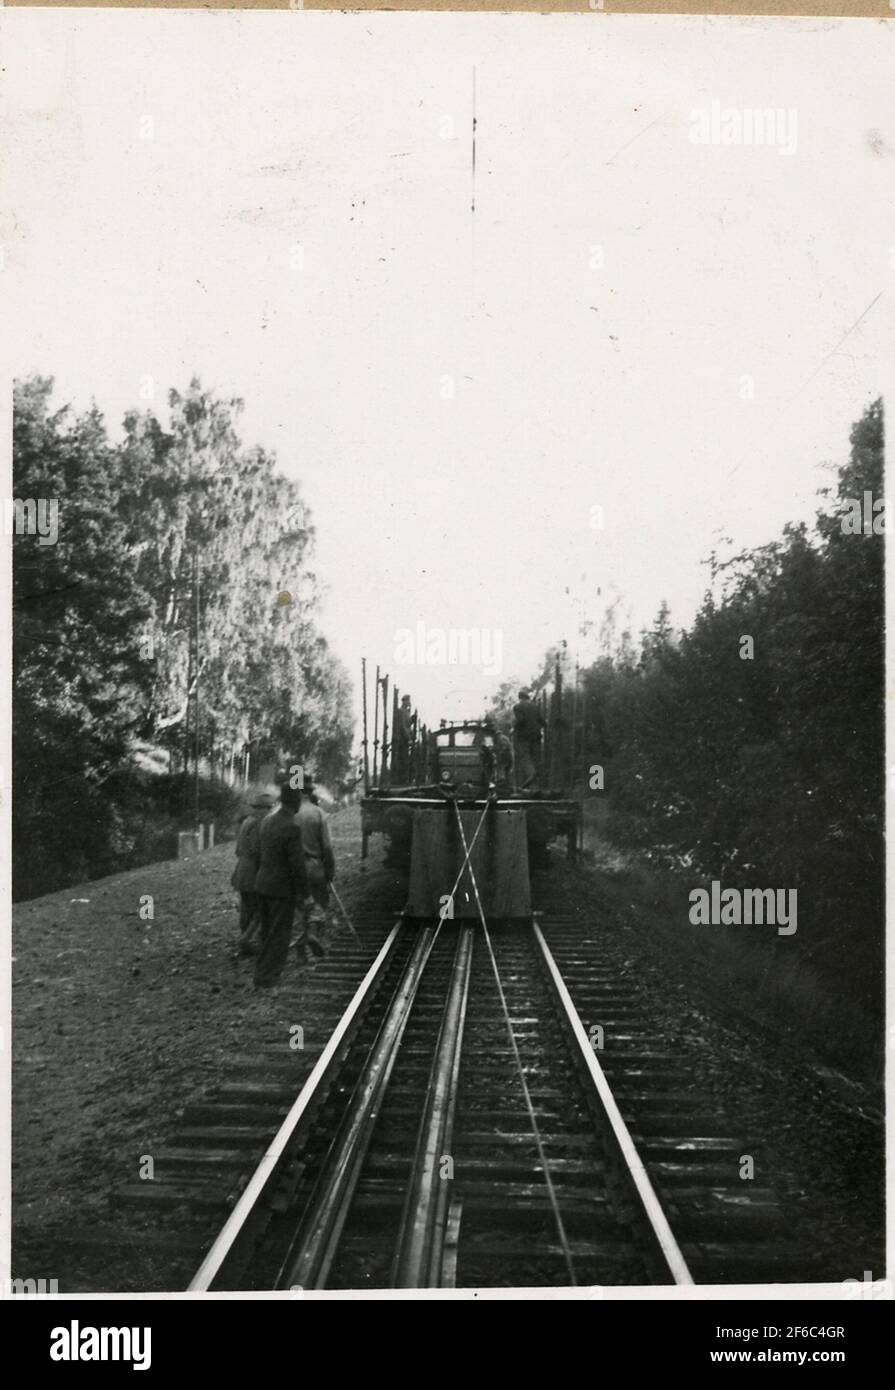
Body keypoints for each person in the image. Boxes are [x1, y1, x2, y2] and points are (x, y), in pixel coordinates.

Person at [253, 783, 312, 989]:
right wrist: (306, 895)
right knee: (279, 935)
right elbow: (297, 866)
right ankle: (270, 979)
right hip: (280, 889)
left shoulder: (267, 822)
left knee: (266, 931)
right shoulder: (292, 827)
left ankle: (261, 974)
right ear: (295, 803)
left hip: (262, 884)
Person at [295, 775, 336, 960]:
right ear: (309, 792)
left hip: (293, 867)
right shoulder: (318, 813)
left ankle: (301, 953)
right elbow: (327, 847)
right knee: (319, 903)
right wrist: (329, 870)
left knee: (299, 907)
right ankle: (313, 932)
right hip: (314, 865)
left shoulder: (287, 813)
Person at [231, 792, 274, 956]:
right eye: (268, 808)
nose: (269, 811)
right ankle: (245, 940)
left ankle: (246, 945)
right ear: (261, 809)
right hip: (252, 873)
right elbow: (257, 851)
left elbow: (238, 850)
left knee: (247, 909)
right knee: (259, 910)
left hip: (241, 871)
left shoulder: (246, 822)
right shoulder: (257, 824)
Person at [513, 688, 545, 790]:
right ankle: (535, 785)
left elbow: (521, 720)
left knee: (525, 756)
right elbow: (542, 721)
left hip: (524, 737)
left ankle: (532, 774)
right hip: (536, 736)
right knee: (535, 758)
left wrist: (514, 729)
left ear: (519, 697)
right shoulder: (535, 706)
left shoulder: (517, 707)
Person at [479, 718, 514, 790]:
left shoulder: (501, 739)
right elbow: (488, 749)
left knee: (499, 774)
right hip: (495, 762)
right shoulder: (489, 738)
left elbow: (503, 753)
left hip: (503, 761)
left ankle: (500, 783)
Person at [393, 694, 413, 784]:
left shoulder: (407, 712)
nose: (409, 702)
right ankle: (401, 780)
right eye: (408, 701)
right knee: (402, 760)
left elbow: (408, 725)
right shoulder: (400, 711)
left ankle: (405, 779)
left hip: (406, 739)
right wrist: (408, 738)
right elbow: (403, 726)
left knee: (406, 760)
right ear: (404, 701)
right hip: (402, 740)